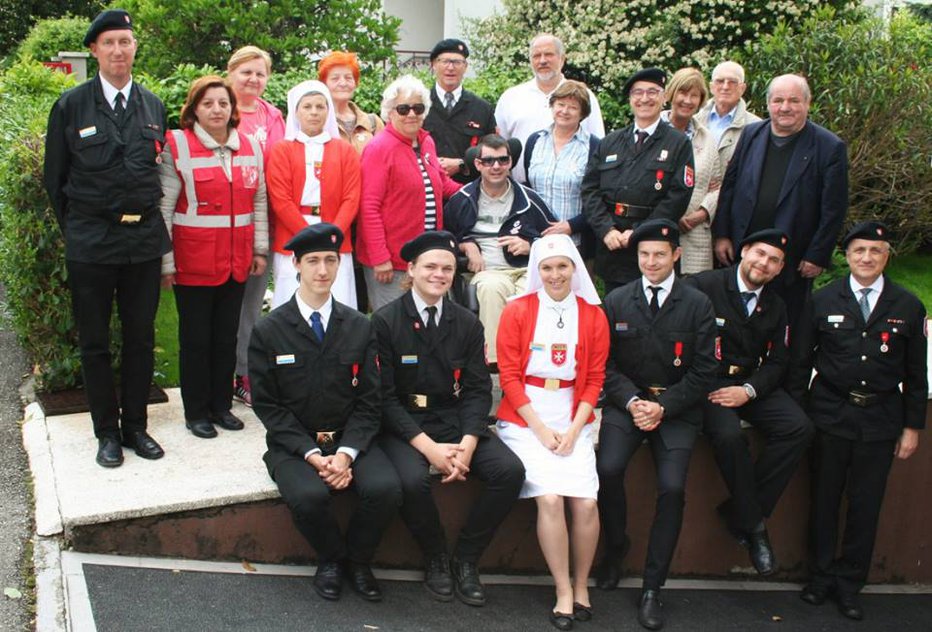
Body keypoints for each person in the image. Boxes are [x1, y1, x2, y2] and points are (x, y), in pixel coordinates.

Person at [248, 223, 401, 603]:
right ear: (295, 265)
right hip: (295, 445)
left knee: (385, 488)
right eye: (313, 261)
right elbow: (269, 407)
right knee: (309, 495)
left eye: (331, 260)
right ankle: (333, 558)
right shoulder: (270, 330)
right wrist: (314, 456)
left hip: (351, 439)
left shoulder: (359, 327)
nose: (322, 270)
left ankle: (359, 560)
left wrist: (346, 454)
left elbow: (370, 399)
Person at [43, 9, 169, 467]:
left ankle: (136, 427)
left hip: (142, 243)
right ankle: (106, 433)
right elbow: (54, 180)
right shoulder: (71, 105)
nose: (119, 50)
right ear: (95, 50)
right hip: (92, 242)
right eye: (110, 42)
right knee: (95, 341)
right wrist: (79, 229)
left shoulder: (153, 106)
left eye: (126, 41)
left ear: (135, 48)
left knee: (140, 336)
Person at [373, 231, 525, 607]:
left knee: (509, 473)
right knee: (410, 480)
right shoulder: (384, 321)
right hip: (405, 422)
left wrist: (469, 443)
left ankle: (467, 558)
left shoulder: (467, 322)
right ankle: (436, 556)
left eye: (447, 268)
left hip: (455, 419)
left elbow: (476, 390)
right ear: (411, 269)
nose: (439, 274)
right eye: (430, 267)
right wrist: (429, 449)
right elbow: (383, 398)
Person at [788, 221, 926, 621]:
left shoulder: (907, 306)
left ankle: (850, 585)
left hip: (881, 419)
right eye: (859, 251)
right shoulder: (823, 299)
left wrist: (912, 427)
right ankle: (819, 578)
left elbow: (917, 375)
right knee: (824, 501)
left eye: (875, 251)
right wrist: (800, 414)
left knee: (866, 506)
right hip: (830, 414)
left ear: (887, 257)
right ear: (846, 256)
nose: (867, 258)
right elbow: (800, 362)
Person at [595, 220, 717, 631]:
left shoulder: (697, 303)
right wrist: (632, 402)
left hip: (676, 409)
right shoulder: (617, 299)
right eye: (644, 254)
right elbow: (606, 365)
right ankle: (615, 549)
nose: (650, 262)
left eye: (660, 255)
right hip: (627, 404)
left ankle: (652, 588)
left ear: (676, 256)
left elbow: (704, 371)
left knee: (672, 488)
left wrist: (662, 407)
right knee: (607, 469)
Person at [495, 234, 609, 630]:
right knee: (549, 499)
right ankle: (562, 589)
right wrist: (540, 429)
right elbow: (508, 376)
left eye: (562, 266)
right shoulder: (517, 310)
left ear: (575, 269)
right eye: (546, 267)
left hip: (573, 413)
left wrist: (576, 429)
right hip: (527, 415)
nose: (555, 274)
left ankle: (582, 585)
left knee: (586, 503)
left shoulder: (593, 315)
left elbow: (594, 379)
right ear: (536, 271)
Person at [686, 229, 814, 576]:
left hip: (751, 383)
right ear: (744, 252)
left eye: (774, 260)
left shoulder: (777, 305)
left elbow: (778, 361)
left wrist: (750, 390)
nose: (764, 263)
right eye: (759, 254)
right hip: (708, 383)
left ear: (780, 268)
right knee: (729, 436)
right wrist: (709, 385)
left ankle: (740, 511)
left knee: (798, 428)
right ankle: (756, 528)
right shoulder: (703, 286)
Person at [158, 75, 268, 439]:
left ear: (233, 109)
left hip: (236, 261)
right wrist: (166, 261)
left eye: (223, 103)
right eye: (208, 103)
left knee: (226, 337)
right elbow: (164, 207)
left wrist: (259, 250)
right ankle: (196, 411)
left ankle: (222, 405)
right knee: (196, 339)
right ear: (194, 109)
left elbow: (259, 202)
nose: (217, 110)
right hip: (194, 261)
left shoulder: (250, 145)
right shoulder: (178, 145)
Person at [712, 74, 849, 335]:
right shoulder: (752, 134)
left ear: (808, 104)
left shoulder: (829, 147)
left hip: (793, 259)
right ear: (768, 104)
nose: (785, 107)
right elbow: (729, 188)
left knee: (785, 326)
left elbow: (834, 208)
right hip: (743, 249)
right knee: (736, 322)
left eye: (794, 100)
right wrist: (722, 235)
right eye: (778, 100)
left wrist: (816, 254)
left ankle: (781, 373)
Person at [443, 134, 556, 369]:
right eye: (489, 161)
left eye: (502, 160)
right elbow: (445, 239)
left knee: (530, 294)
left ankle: (531, 363)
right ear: (478, 164)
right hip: (489, 271)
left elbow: (554, 238)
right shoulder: (461, 199)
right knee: (491, 289)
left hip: (526, 269)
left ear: (510, 162)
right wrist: (466, 245)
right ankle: (496, 363)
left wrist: (531, 244)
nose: (496, 166)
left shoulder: (528, 198)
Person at [581, 68, 694, 292]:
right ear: (631, 99)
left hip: (654, 246)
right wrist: (606, 230)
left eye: (652, 92)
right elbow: (590, 190)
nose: (645, 99)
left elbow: (678, 196)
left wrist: (640, 232)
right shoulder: (610, 142)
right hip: (613, 246)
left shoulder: (678, 143)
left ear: (664, 97)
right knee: (618, 316)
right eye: (638, 93)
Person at [357, 76, 461, 310]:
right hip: (392, 261)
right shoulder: (378, 148)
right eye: (403, 109)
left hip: (427, 257)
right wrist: (380, 257)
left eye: (418, 108)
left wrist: (478, 193)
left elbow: (442, 184)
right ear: (390, 112)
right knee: (395, 328)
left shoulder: (426, 142)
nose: (411, 114)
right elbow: (368, 206)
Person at [226, 45, 286, 408]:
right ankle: (230, 369)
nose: (253, 79)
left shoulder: (273, 115)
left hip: (271, 220)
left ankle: (245, 370)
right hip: (234, 219)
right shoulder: (221, 110)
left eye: (260, 73)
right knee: (229, 301)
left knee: (253, 300)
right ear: (231, 72)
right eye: (246, 72)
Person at [267, 80, 361, 309]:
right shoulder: (282, 149)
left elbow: (351, 197)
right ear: (296, 111)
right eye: (307, 106)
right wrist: (309, 237)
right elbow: (281, 200)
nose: (314, 112)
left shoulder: (344, 150)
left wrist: (332, 236)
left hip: (335, 236)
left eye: (320, 106)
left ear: (328, 111)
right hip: (293, 234)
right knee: (292, 301)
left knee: (338, 301)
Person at [495, 33, 605, 183]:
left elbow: (599, 147)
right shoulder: (510, 97)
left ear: (562, 59)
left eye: (549, 54)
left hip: (572, 195)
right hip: (521, 192)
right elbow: (498, 145)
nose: (542, 61)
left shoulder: (584, 96)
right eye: (536, 56)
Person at [524, 80, 599, 260]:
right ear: (552, 106)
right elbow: (528, 188)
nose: (564, 111)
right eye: (560, 104)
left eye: (573, 107)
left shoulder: (594, 146)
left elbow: (599, 198)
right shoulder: (535, 141)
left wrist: (571, 225)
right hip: (537, 239)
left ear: (582, 113)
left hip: (575, 241)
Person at [661, 68, 722, 274]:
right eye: (682, 93)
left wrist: (701, 213)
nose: (687, 100)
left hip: (694, 233)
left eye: (694, 95)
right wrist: (671, 215)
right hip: (657, 231)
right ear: (671, 94)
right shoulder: (652, 129)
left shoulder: (708, 138)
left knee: (692, 299)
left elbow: (717, 185)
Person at [421, 38, 497, 184]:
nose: (451, 67)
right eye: (445, 61)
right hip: (425, 190)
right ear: (434, 65)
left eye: (457, 62)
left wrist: (462, 164)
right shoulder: (418, 106)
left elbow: (491, 152)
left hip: (468, 192)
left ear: (465, 66)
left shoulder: (482, 108)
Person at [318, 50, 384, 155]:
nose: (343, 83)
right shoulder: (317, 121)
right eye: (335, 78)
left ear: (355, 83)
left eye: (348, 78)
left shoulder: (373, 122)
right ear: (324, 84)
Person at [696, 61, 761, 163]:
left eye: (732, 82)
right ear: (711, 87)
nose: (725, 87)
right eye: (720, 81)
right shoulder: (694, 122)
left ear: (742, 88)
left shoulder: (756, 128)